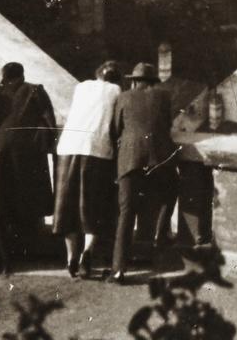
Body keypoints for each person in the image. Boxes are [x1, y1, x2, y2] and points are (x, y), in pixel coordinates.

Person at [54, 59, 124, 278]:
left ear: (98, 74)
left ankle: (70, 257)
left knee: (67, 205)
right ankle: (87, 253)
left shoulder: (81, 87)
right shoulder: (116, 91)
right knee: (92, 207)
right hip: (97, 151)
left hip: (68, 149)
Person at [0, 61, 57, 274]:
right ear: (22, 75)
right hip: (26, 153)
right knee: (26, 199)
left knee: (0, 200)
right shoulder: (34, 90)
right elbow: (49, 120)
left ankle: (6, 259)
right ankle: (26, 253)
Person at [109, 62, 176, 281]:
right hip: (159, 157)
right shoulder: (164, 96)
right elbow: (166, 125)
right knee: (171, 190)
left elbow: (115, 129)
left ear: (134, 81)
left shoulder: (123, 97)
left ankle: (118, 269)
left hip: (130, 158)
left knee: (126, 212)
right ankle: (161, 235)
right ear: (153, 82)